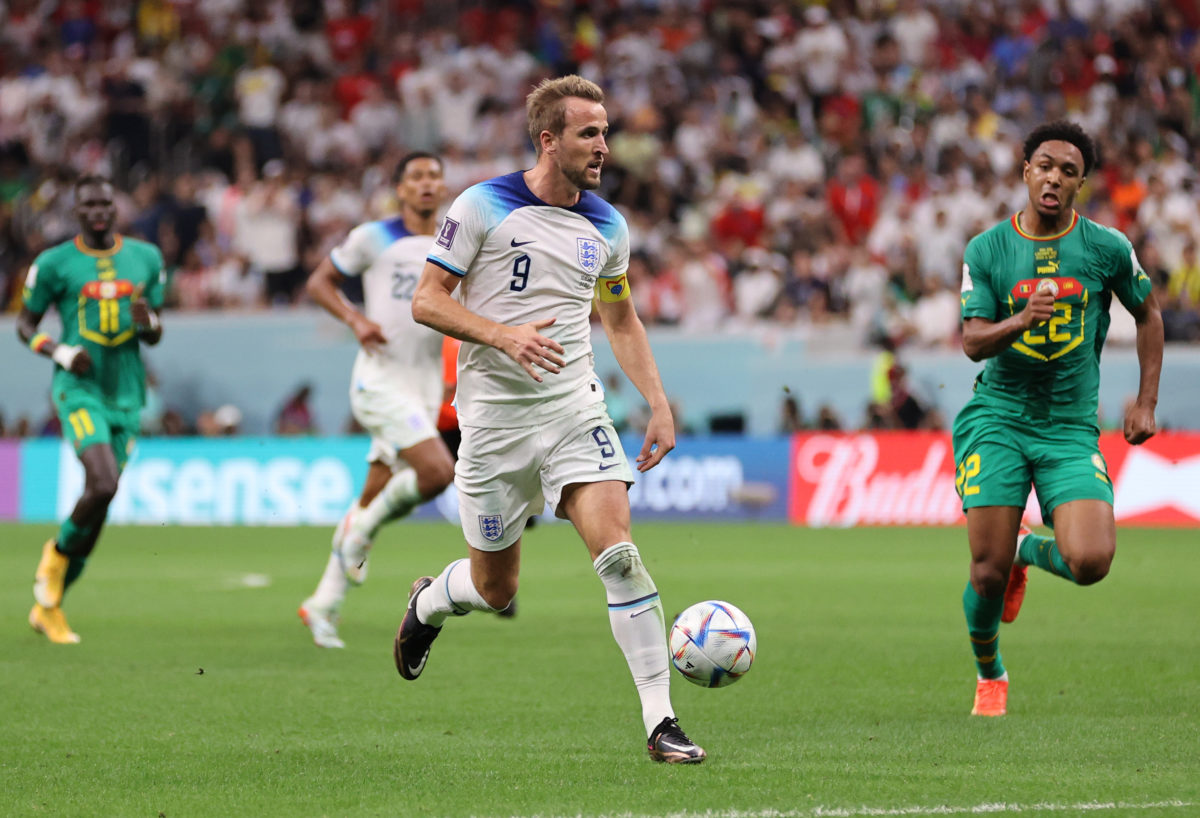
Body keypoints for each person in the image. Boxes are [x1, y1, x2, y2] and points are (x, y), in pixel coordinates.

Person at [395, 75, 705, 764]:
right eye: (588, 133)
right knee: (494, 587)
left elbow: (619, 318)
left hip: (574, 409)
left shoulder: (608, 226)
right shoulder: (483, 204)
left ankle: (661, 722)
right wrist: (501, 335)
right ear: (549, 139)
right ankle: (426, 604)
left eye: (604, 132)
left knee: (619, 555)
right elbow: (426, 300)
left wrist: (658, 402)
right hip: (494, 424)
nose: (603, 145)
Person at [952, 121, 1163, 717]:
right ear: (1025, 171)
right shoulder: (987, 249)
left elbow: (1149, 315)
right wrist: (1020, 319)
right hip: (998, 417)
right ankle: (990, 672)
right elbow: (972, 341)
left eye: (1068, 171)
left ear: (1081, 184)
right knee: (986, 573)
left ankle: (1029, 551)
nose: (1054, 177)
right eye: (1044, 165)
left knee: (1091, 562)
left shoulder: (1106, 248)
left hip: (1070, 426)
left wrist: (1146, 400)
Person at [298, 152, 459, 649]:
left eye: (434, 175)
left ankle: (322, 604)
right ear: (401, 189)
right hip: (380, 381)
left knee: (372, 492)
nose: (427, 184)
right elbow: (319, 282)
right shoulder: (374, 236)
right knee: (437, 472)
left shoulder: (454, 243)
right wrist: (355, 320)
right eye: (416, 177)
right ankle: (362, 533)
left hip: (425, 384)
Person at [17, 174, 166, 643]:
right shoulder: (55, 263)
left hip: (126, 392)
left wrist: (150, 322)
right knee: (102, 481)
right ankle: (54, 559)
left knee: (102, 500)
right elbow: (24, 325)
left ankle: (50, 605)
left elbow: (155, 329)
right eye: (89, 205)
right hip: (78, 388)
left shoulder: (146, 257)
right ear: (76, 211)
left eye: (106, 203)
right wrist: (59, 352)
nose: (99, 211)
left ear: (115, 207)